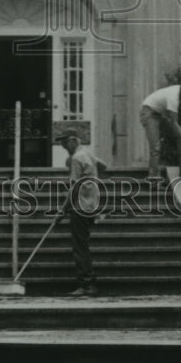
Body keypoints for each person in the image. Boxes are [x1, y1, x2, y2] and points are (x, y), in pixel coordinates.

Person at [55, 128, 106, 298]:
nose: (63, 147)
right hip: (92, 204)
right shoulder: (88, 154)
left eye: (64, 143)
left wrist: (62, 211)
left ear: (72, 140)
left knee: (80, 247)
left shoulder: (77, 158)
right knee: (82, 244)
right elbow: (104, 166)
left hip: (80, 207)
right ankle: (88, 283)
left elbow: (74, 189)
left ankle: (87, 285)